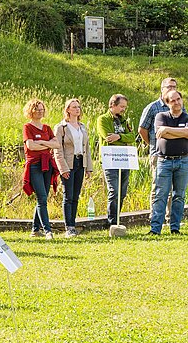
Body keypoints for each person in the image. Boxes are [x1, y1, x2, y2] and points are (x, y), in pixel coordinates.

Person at [149, 89, 188, 235]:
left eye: (178, 99)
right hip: (164, 161)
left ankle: (175, 227)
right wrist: (180, 133)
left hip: (183, 161)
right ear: (167, 103)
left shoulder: (187, 117)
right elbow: (160, 135)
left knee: (179, 196)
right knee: (161, 195)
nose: (177, 102)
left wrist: (167, 130)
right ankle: (155, 229)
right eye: (173, 100)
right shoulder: (161, 116)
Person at [54, 98, 93, 237]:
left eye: (78, 107)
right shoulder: (61, 127)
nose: (77, 109)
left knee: (76, 195)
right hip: (68, 163)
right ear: (68, 110)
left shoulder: (82, 127)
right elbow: (57, 150)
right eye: (74, 107)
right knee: (68, 195)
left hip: (80, 162)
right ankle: (68, 226)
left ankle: (73, 223)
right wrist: (63, 168)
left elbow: (86, 148)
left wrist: (88, 167)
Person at [21, 99, 60, 239]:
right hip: (35, 165)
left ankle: (35, 229)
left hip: (47, 164)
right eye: (37, 109)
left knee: (43, 198)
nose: (40, 111)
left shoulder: (47, 128)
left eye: (42, 109)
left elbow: (56, 144)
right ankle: (48, 230)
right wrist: (47, 144)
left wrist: (42, 142)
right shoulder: (27, 127)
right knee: (42, 197)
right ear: (31, 111)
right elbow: (31, 146)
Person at [139, 77, 178, 218]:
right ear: (162, 89)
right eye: (169, 86)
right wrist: (152, 144)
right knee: (159, 188)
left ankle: (170, 217)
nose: (172, 89)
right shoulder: (153, 107)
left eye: (174, 86)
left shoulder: (178, 106)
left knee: (174, 189)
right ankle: (155, 217)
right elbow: (142, 129)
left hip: (177, 154)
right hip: (158, 154)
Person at [96, 94, 136, 226]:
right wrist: (122, 138)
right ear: (112, 105)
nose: (124, 109)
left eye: (125, 107)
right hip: (110, 160)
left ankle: (116, 218)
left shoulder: (124, 121)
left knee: (122, 192)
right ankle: (112, 221)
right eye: (121, 106)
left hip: (125, 158)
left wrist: (118, 136)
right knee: (114, 190)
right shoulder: (103, 119)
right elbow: (107, 137)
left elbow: (132, 137)